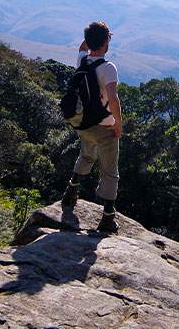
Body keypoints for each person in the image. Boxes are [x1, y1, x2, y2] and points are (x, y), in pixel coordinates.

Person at [62, 21, 123, 232]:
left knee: (86, 155)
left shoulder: (82, 60)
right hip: (105, 128)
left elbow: (82, 48)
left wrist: (90, 37)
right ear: (106, 43)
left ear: (89, 41)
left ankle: (72, 190)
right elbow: (113, 100)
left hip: (83, 124)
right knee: (109, 170)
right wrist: (118, 124)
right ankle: (107, 216)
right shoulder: (108, 68)